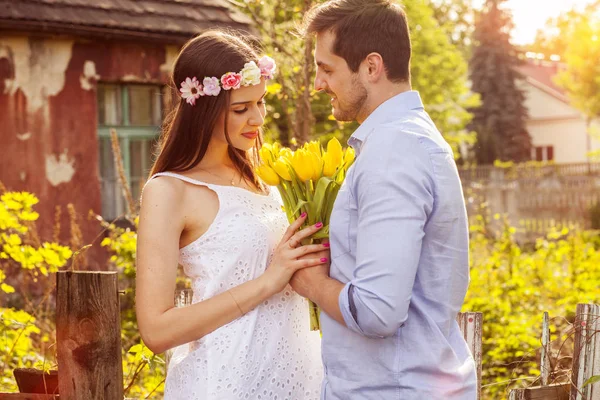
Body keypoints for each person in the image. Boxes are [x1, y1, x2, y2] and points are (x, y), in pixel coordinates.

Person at [289, 1, 478, 399]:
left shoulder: (394, 149)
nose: (319, 84)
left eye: (327, 69)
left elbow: (377, 313)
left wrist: (310, 282)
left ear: (371, 67)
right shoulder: (403, 141)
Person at [135, 30, 326, 400]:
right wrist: (269, 281)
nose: (257, 118)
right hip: (227, 383)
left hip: (301, 379)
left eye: (261, 102)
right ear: (203, 109)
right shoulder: (169, 191)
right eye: (241, 109)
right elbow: (155, 331)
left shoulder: (268, 178)